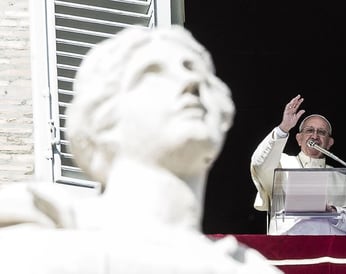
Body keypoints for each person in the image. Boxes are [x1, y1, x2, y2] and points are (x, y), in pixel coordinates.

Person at [0, 25, 283, 273]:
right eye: (153, 72)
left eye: (197, 72)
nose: (192, 82)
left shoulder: (249, 268)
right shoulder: (38, 242)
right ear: (101, 118)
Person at [250, 94, 346, 235]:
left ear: (329, 143)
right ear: (299, 139)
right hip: (288, 249)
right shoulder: (281, 165)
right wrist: (283, 128)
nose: (315, 136)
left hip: (331, 251)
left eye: (322, 132)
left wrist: (333, 211)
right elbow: (259, 163)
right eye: (309, 130)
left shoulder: (344, 179)